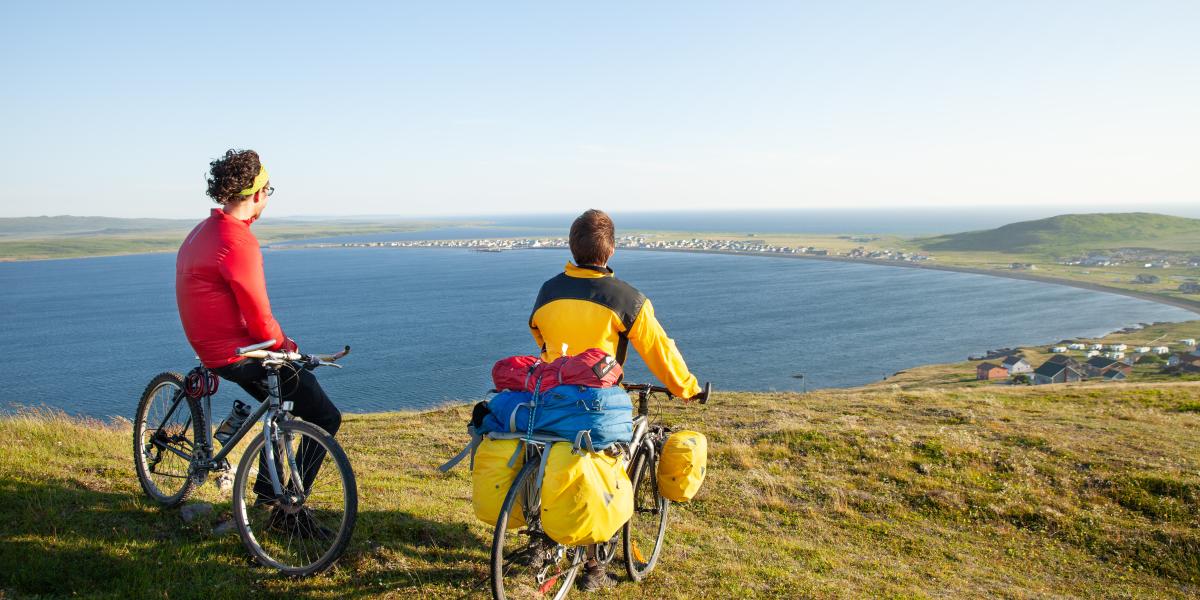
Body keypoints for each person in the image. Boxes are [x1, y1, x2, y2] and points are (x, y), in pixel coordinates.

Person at [528, 208, 702, 591]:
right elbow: (659, 351)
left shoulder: (547, 292)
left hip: (550, 397)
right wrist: (687, 388)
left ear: (572, 247)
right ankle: (594, 568)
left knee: (550, 457)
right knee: (607, 474)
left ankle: (541, 537)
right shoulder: (627, 299)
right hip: (599, 403)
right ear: (610, 251)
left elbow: (540, 336)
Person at [175, 149, 341, 534]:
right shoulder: (237, 242)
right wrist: (288, 347)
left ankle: (268, 495)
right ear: (257, 193)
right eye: (269, 190)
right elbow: (261, 320)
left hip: (210, 348)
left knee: (283, 402)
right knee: (324, 416)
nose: (268, 197)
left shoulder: (203, 230)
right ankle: (286, 510)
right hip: (236, 354)